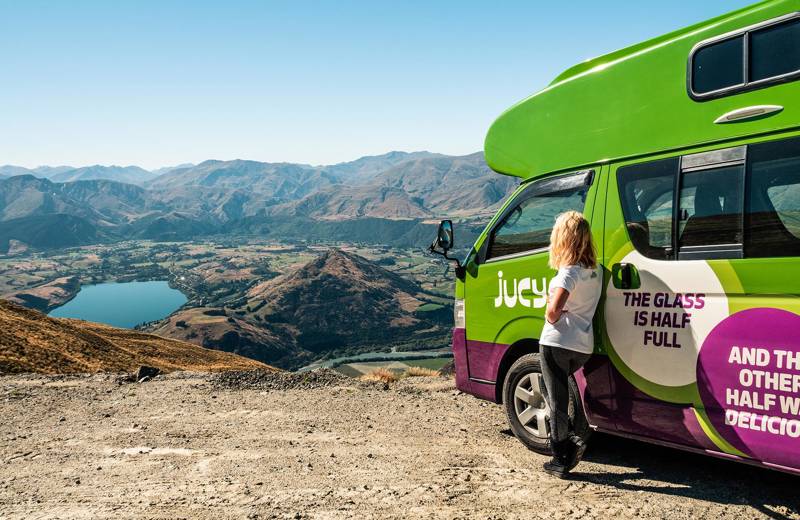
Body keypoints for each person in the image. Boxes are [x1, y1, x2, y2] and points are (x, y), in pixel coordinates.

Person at [540, 210, 602, 478]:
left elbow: (553, 313)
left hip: (557, 342)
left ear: (563, 238)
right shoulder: (595, 271)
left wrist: (551, 306)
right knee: (560, 392)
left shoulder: (569, 273)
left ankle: (560, 457)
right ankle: (573, 438)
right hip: (583, 346)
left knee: (557, 401)